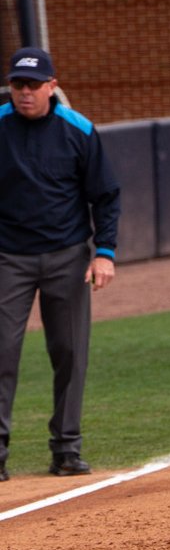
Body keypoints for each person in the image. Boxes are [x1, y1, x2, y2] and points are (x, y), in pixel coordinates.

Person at [0, 47, 119, 480]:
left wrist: (104, 252)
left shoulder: (78, 130)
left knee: (69, 352)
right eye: (18, 85)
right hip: (7, 257)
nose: (25, 93)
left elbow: (105, 195)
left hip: (66, 256)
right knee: (1, 351)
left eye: (33, 85)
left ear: (52, 85)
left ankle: (66, 449)